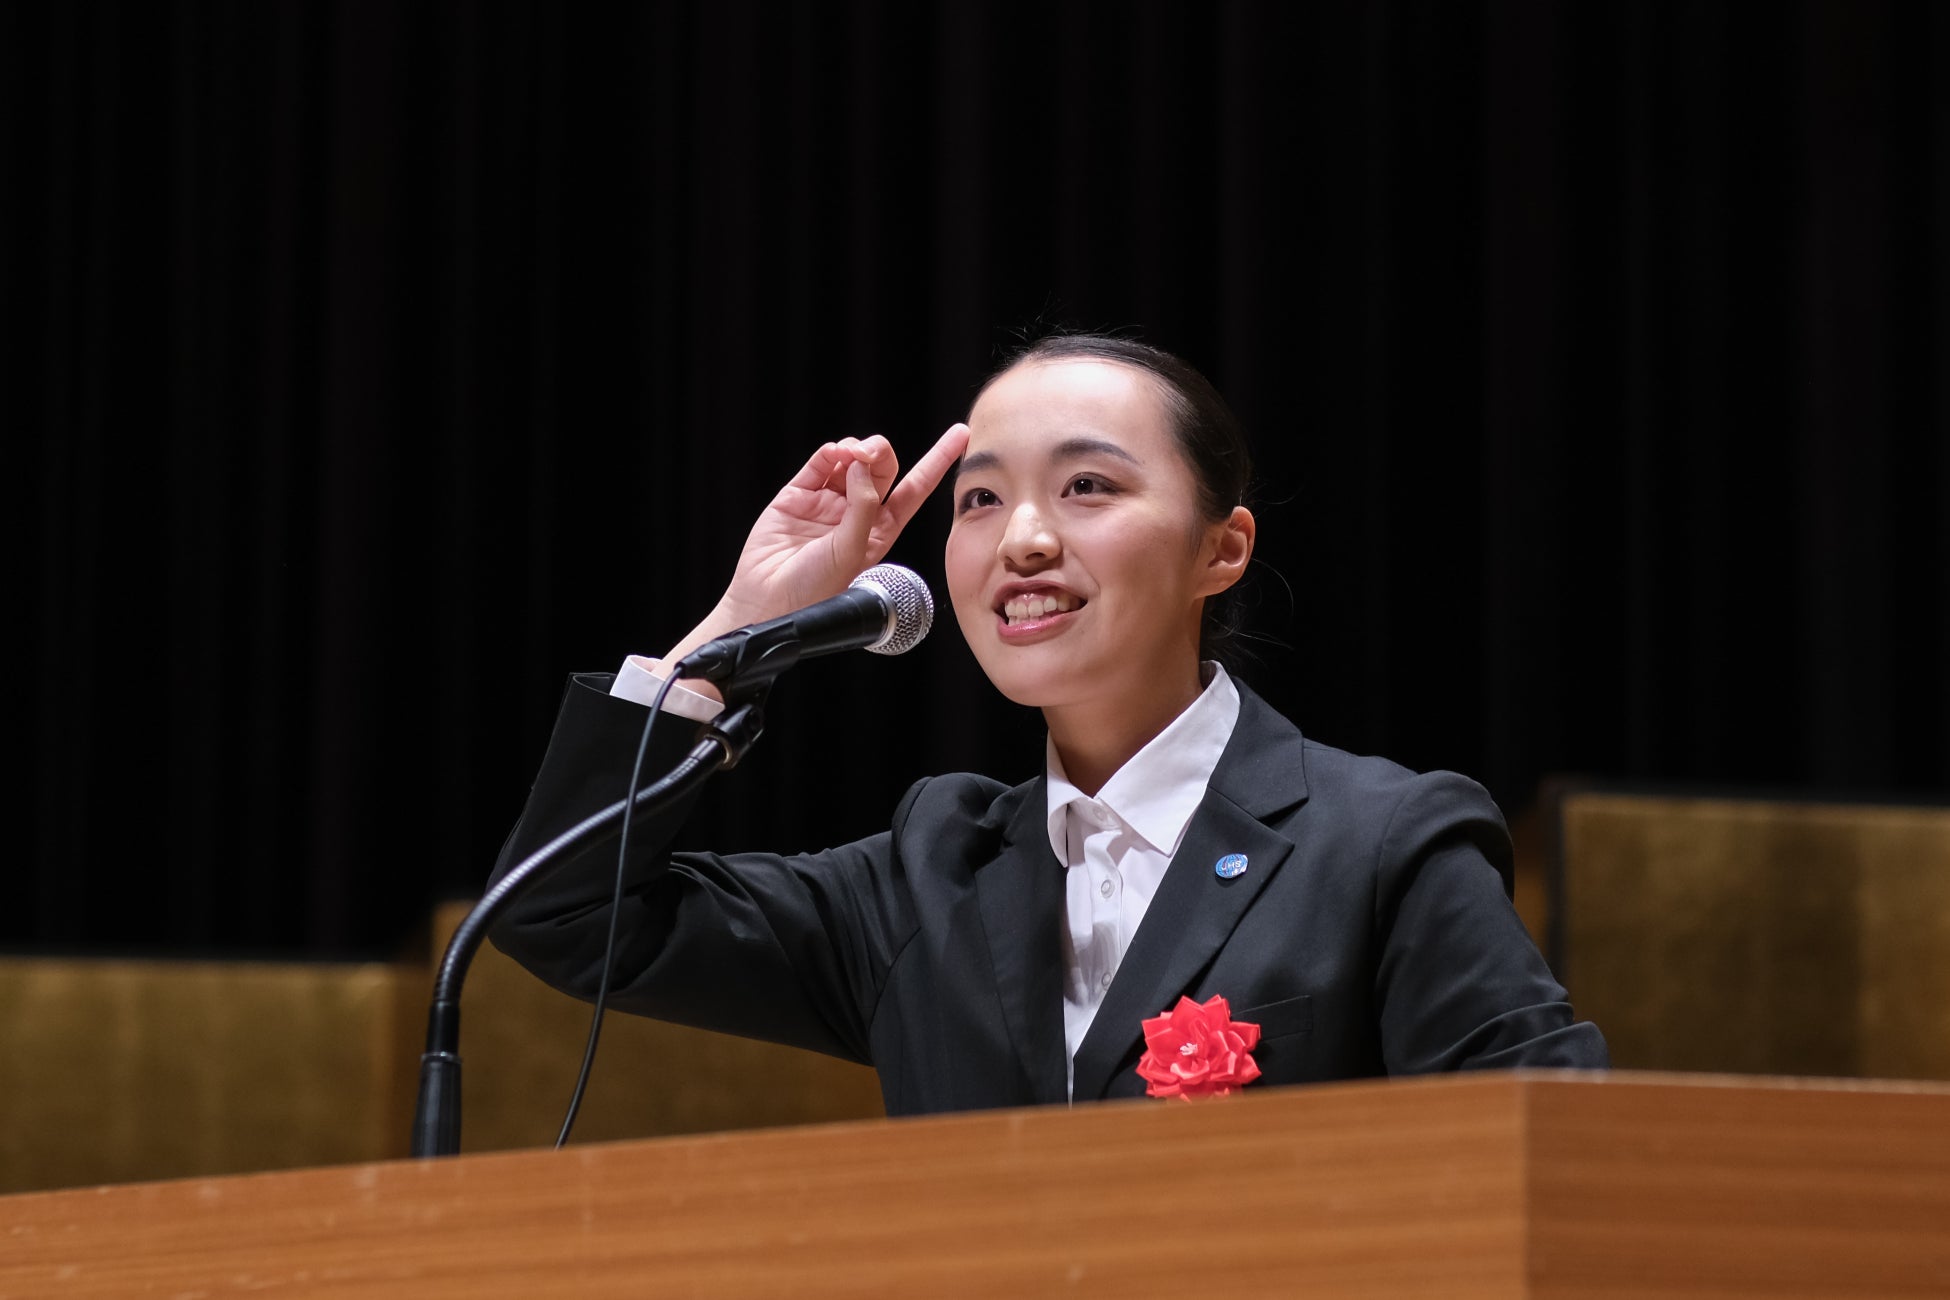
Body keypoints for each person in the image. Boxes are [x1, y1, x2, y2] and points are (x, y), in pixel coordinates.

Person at [489, 333, 1608, 1116]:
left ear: (1221, 549)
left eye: (1087, 487)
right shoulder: (929, 876)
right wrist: (742, 623)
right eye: (982, 499)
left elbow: (1560, 1155)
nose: (1022, 537)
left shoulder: (1384, 846)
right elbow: (565, 912)